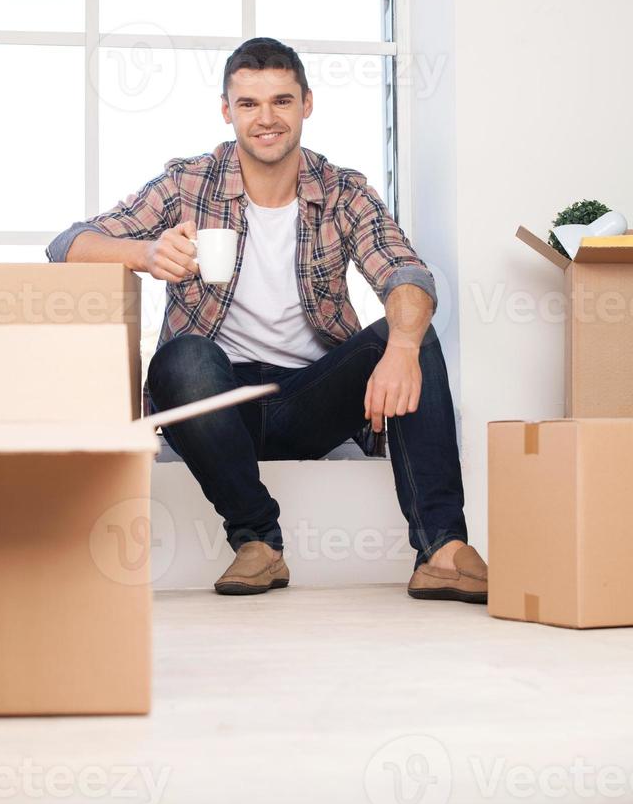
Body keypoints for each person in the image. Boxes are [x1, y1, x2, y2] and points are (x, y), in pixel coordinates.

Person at [47, 37, 487, 602]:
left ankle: (442, 551)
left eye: (281, 101)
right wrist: (146, 254)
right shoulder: (190, 182)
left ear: (306, 104)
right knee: (179, 359)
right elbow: (67, 245)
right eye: (249, 104)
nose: (266, 119)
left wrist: (401, 346)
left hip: (307, 398)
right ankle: (258, 542)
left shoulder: (341, 190)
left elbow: (406, 272)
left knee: (411, 332)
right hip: (212, 401)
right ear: (227, 111)